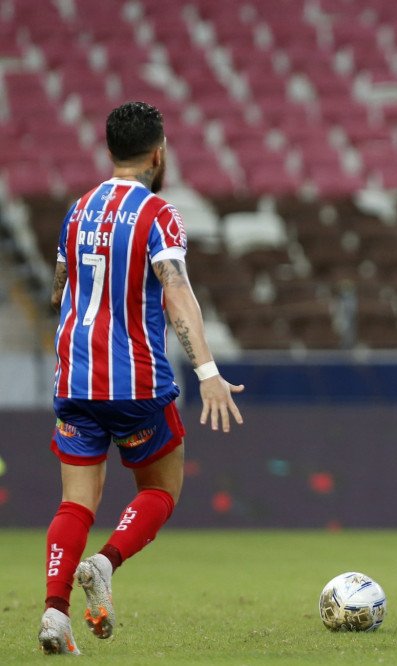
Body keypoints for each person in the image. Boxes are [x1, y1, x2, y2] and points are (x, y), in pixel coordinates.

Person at [38, 101, 245, 655]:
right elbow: (174, 286)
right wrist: (207, 371)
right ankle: (104, 565)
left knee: (75, 503)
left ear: (109, 150)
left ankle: (55, 616)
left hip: (75, 379)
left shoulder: (77, 209)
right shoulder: (158, 213)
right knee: (160, 489)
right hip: (135, 384)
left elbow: (58, 289)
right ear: (159, 153)